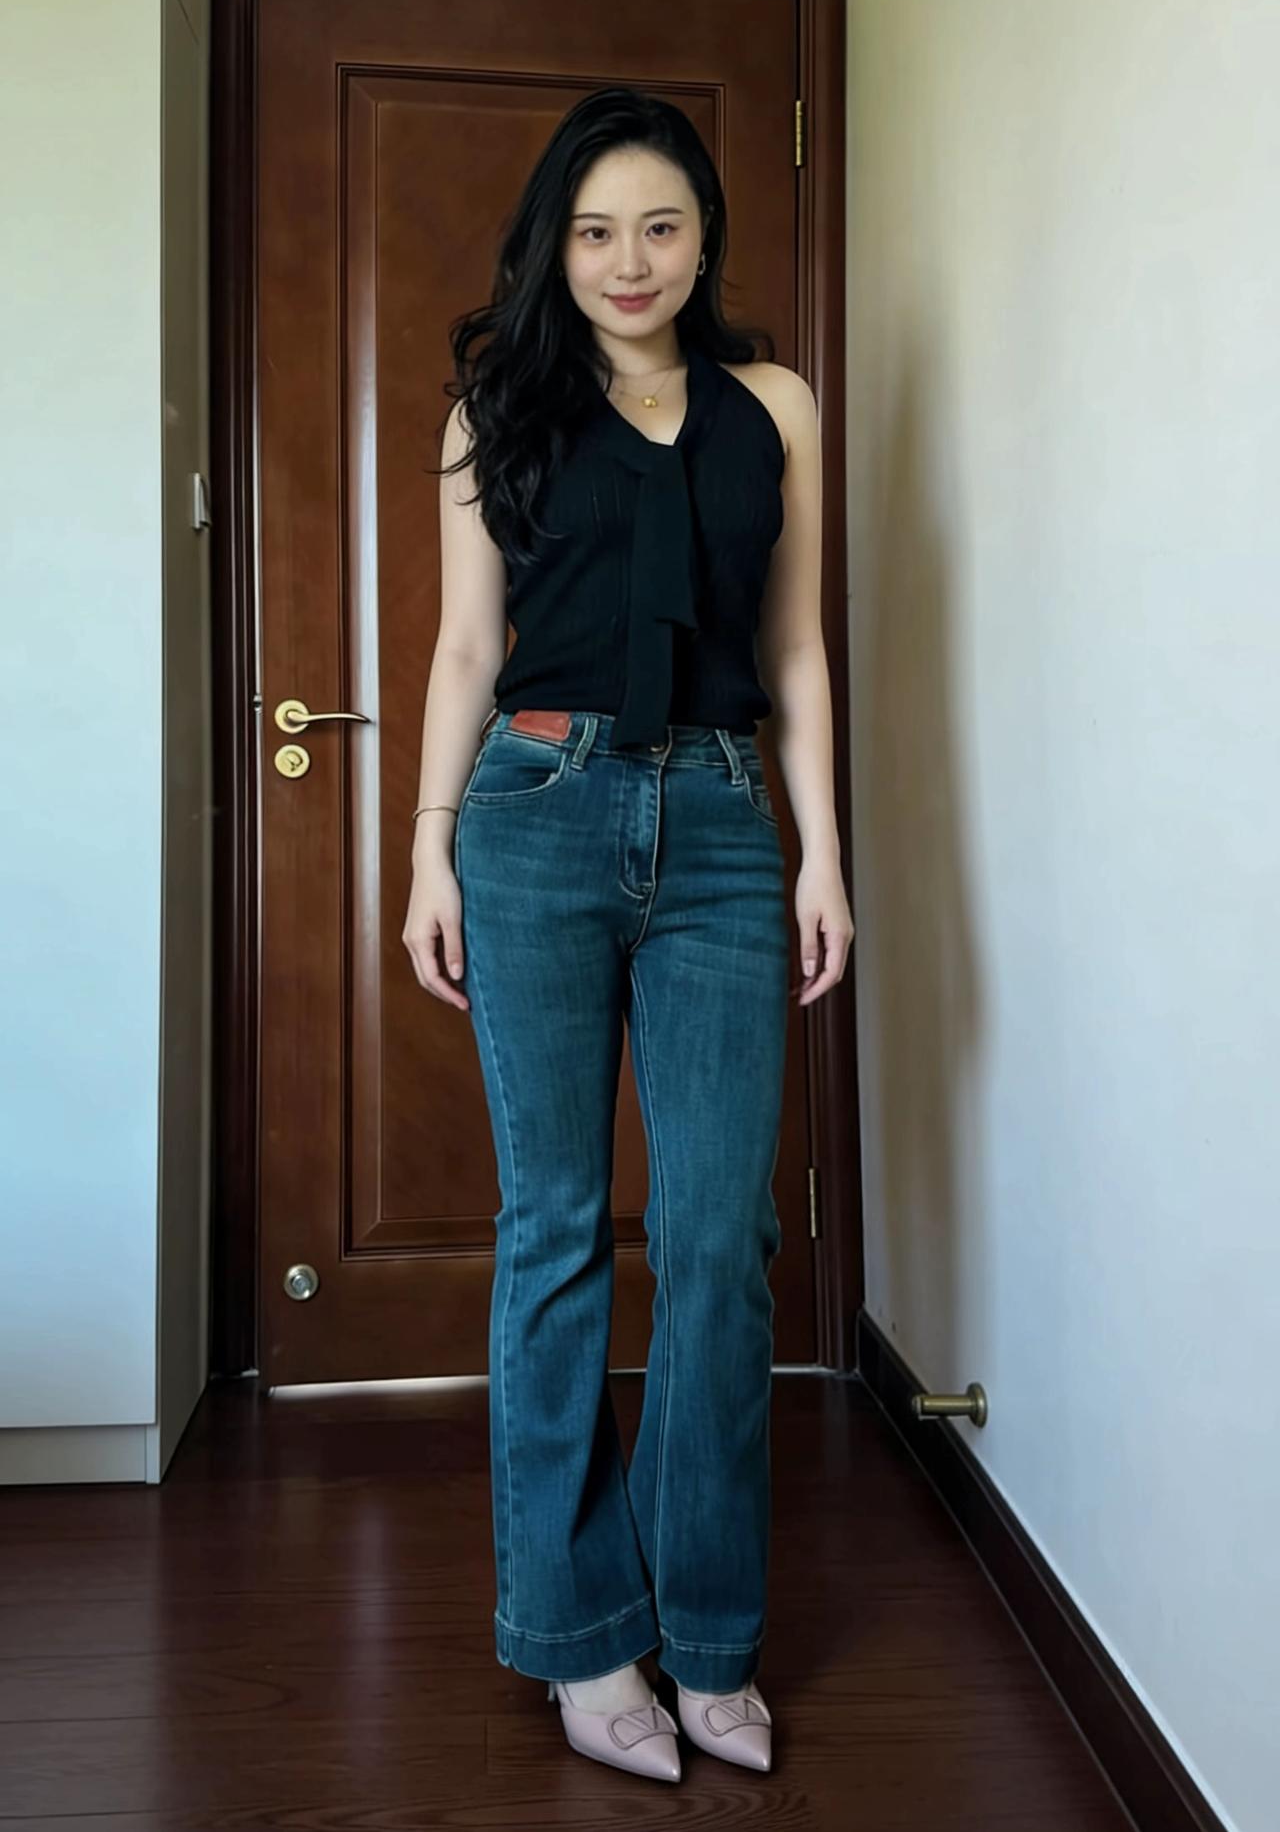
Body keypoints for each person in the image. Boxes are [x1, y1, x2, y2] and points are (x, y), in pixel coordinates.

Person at [402, 87, 853, 1782]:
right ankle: (585, 1641)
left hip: (726, 822)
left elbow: (794, 647)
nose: (629, 260)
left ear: (705, 234)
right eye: (595, 231)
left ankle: (712, 1635)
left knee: (723, 1238)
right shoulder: (496, 407)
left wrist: (822, 855)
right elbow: (467, 649)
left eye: (661, 224)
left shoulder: (774, 407)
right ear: (558, 246)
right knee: (556, 1229)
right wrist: (426, 850)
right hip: (535, 812)